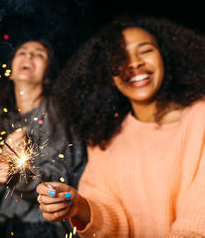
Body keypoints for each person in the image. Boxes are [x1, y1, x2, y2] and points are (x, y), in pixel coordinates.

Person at [36, 15, 205, 237]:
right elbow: (111, 217)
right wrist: (79, 207)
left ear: (165, 56)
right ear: (108, 73)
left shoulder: (200, 116)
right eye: (120, 57)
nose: (134, 62)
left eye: (145, 50)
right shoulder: (104, 139)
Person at [0, 39, 86, 238]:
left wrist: (15, 174)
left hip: (44, 226)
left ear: (47, 75)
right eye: (22, 52)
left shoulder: (57, 114)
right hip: (7, 223)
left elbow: (58, 178)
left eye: (39, 54)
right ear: (10, 70)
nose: (29, 56)